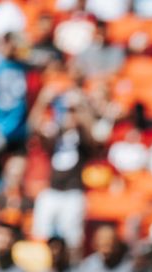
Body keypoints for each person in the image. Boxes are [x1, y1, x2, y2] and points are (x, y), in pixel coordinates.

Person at [29, 85, 96, 248]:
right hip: (52, 191)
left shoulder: (82, 137)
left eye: (72, 112)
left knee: (72, 238)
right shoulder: (55, 134)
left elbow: (93, 134)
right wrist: (42, 102)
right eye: (66, 111)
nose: (69, 116)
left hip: (73, 193)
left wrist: (82, 106)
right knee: (41, 232)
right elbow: (34, 127)